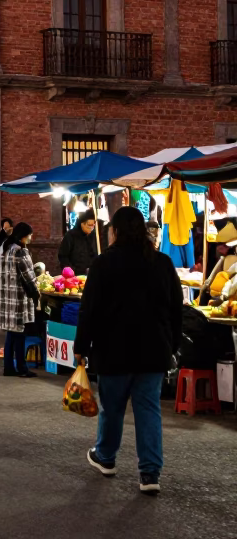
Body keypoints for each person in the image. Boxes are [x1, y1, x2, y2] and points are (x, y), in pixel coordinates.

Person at [74, 205, 182, 494]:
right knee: (148, 410)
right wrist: (173, 344)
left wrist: (81, 346)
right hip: (154, 351)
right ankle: (150, 474)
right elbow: (176, 308)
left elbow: (89, 310)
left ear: (115, 231)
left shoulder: (103, 263)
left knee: (113, 408)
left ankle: (106, 457)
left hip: (114, 350)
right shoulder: (161, 262)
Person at [0, 222, 39, 377]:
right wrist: (36, 292)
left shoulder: (5, 248)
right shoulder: (21, 251)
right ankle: (22, 368)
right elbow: (29, 275)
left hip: (6, 296)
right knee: (19, 333)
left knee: (11, 333)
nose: (30, 238)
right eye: (30, 235)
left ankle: (8, 367)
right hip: (19, 298)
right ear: (23, 236)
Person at [58, 209, 98, 278]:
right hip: (74, 276)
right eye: (89, 225)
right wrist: (70, 271)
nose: (92, 228)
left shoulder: (95, 236)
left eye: (93, 225)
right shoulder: (70, 236)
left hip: (91, 275)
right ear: (82, 224)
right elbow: (63, 256)